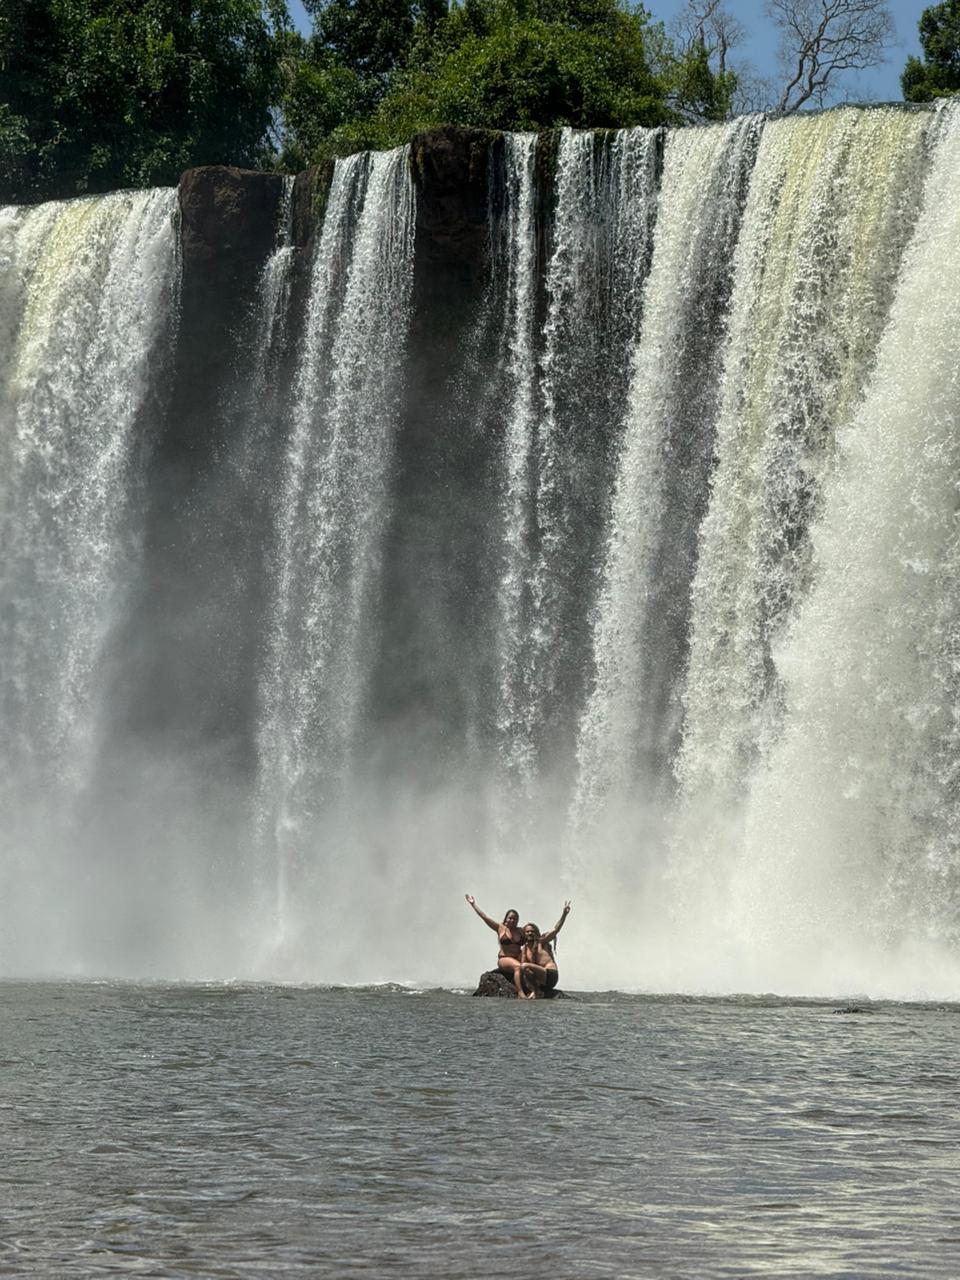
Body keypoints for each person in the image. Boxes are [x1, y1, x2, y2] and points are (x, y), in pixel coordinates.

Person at [464, 894, 525, 997]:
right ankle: (520, 992)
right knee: (518, 967)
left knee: (528, 967)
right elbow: (484, 917)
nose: (512, 920)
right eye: (510, 918)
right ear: (506, 919)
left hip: (518, 957)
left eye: (515, 919)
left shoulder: (521, 931)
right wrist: (473, 905)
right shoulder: (500, 928)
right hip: (504, 959)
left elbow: (535, 935)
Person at [519, 901, 571, 999]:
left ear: (536, 933)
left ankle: (536, 991)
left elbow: (556, 930)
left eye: (532, 931)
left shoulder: (542, 941)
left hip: (551, 975)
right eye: (527, 931)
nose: (530, 933)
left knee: (524, 966)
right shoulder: (524, 949)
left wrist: (564, 914)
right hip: (541, 980)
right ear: (524, 934)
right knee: (523, 967)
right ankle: (535, 991)